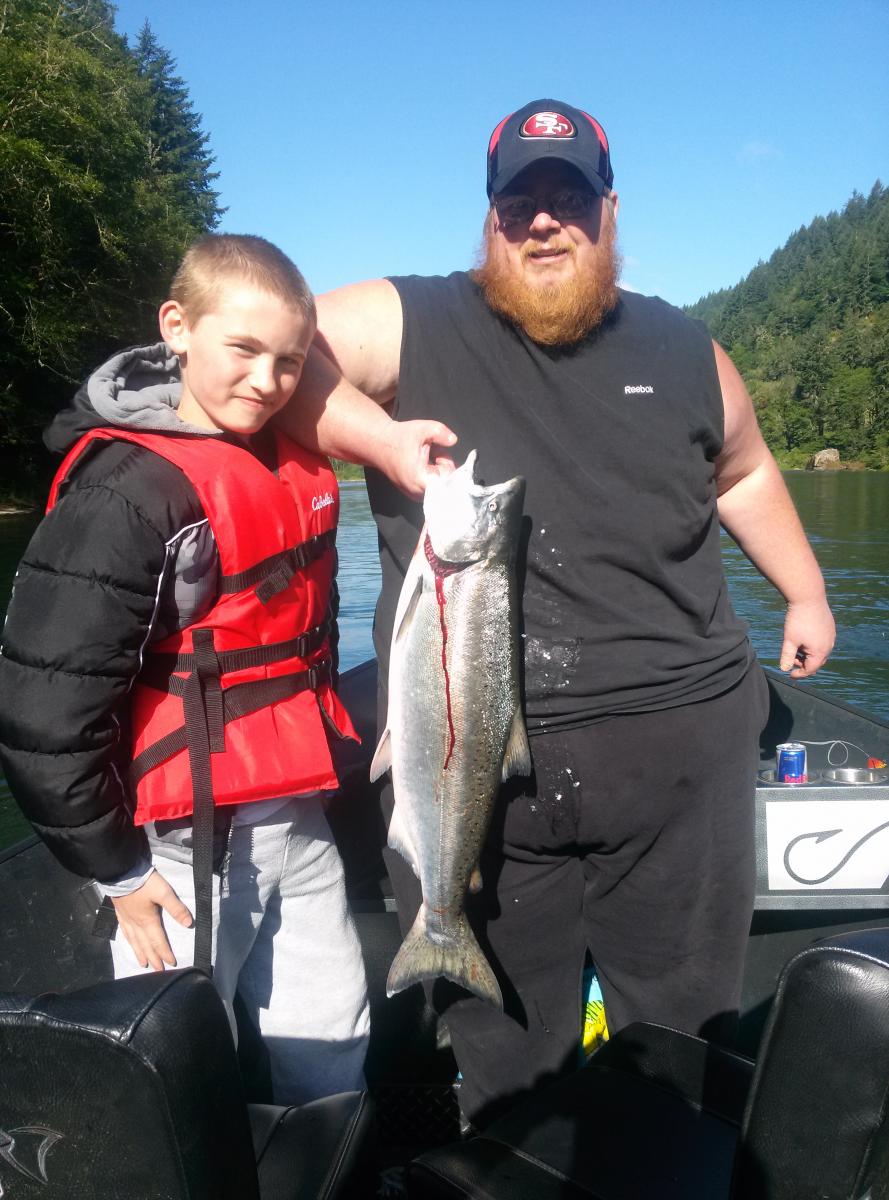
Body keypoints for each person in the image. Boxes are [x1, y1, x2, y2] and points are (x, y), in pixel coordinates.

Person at [279, 98, 837, 1128]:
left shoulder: (688, 347)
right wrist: (380, 438)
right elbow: (272, 348)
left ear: (608, 210)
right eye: (518, 201)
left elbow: (746, 471)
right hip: (475, 775)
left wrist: (804, 593)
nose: (543, 220)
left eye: (569, 198)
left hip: (682, 759)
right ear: (488, 217)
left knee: (680, 1045)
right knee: (506, 1063)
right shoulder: (409, 320)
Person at [0, 234, 370, 1106]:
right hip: (178, 842)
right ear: (177, 327)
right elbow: (41, 715)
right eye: (242, 348)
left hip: (293, 811)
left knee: (335, 1028)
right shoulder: (129, 491)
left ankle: (335, 1157)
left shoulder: (284, 453)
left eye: (288, 361)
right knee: (182, 1066)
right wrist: (120, 873)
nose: (266, 380)